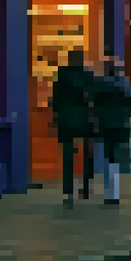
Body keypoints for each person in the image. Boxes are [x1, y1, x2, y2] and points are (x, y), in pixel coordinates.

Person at [51, 49, 96, 208]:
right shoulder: (87, 75)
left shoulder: (61, 75)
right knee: (86, 155)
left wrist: (55, 116)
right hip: (84, 119)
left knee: (68, 156)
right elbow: (93, 97)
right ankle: (84, 186)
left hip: (66, 119)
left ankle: (67, 191)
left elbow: (55, 97)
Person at [94, 59, 131, 205]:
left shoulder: (100, 85)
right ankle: (115, 193)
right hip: (119, 124)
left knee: (107, 156)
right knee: (115, 158)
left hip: (105, 124)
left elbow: (94, 104)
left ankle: (109, 193)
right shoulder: (124, 85)